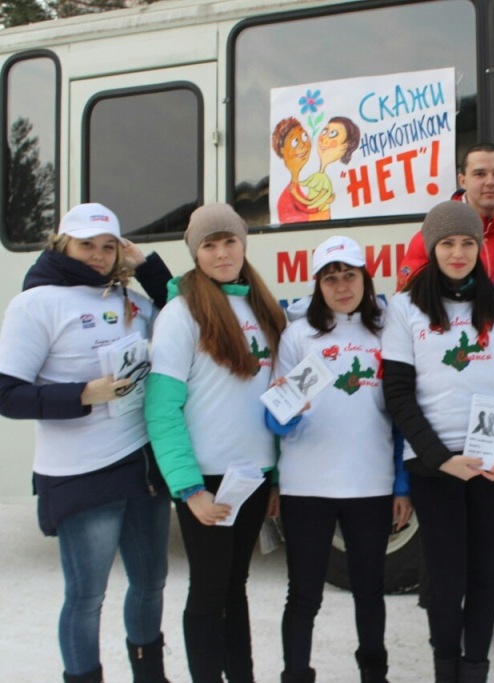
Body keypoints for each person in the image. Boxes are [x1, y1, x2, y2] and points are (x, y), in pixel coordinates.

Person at [0, 203, 172, 683]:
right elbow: (6, 394)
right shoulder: (37, 303)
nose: (97, 255)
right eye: (86, 245)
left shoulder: (130, 299)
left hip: (142, 466)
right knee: (86, 596)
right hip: (81, 473)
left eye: (108, 246)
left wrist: (146, 267)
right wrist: (82, 394)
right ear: (62, 244)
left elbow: (186, 313)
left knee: (151, 583)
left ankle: (151, 676)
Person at [382, 200, 494, 682]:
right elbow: (397, 393)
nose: (458, 253)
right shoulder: (405, 308)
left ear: (479, 247)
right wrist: (439, 459)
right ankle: (446, 668)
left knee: (482, 573)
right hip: (436, 466)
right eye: (447, 243)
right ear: (432, 249)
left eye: (468, 243)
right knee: (446, 575)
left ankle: (475, 668)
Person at [144, 203, 287, 683]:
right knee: (208, 591)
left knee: (235, 587)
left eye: (230, 242)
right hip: (206, 480)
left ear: (243, 244)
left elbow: (269, 399)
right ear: (195, 253)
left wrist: (274, 477)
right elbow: (161, 410)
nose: (222, 253)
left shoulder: (263, 306)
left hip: (253, 476)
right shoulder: (181, 313)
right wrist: (189, 489)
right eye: (210, 245)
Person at [396, 142, 494, 634]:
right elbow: (413, 319)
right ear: (463, 178)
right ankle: (444, 627)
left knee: (492, 542)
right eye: (479, 172)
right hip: (439, 442)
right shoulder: (431, 238)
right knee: (446, 556)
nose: (489, 181)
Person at [267, 235, 412, 683]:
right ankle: (296, 674)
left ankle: (374, 673)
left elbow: (400, 416)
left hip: (370, 485)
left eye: (349, 275)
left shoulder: (386, 330)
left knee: (369, 591)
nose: (342, 286)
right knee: (304, 594)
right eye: (330, 279)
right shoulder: (297, 335)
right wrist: (289, 412)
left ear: (365, 279)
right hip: (306, 487)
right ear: (318, 285)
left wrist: (401, 484)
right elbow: (273, 420)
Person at [395, 143, 494, 289]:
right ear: (462, 181)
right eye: (480, 174)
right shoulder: (433, 234)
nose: (490, 182)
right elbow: (408, 297)